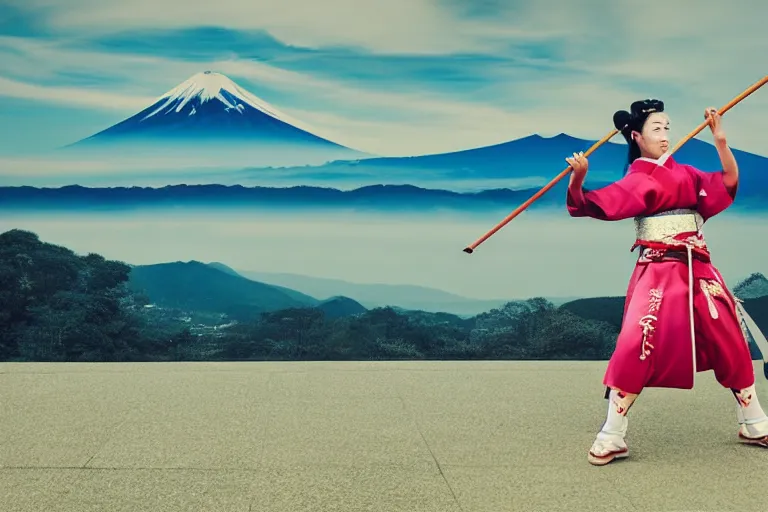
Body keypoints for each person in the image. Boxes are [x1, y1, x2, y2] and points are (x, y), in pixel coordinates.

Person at [564, 99, 768, 466]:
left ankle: (753, 421)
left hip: (699, 268)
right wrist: (578, 177)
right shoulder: (637, 180)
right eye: (656, 129)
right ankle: (612, 433)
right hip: (657, 270)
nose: (665, 135)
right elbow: (590, 204)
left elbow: (729, 182)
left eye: (667, 128)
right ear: (636, 136)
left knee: (729, 338)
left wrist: (720, 140)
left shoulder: (686, 173)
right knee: (636, 341)